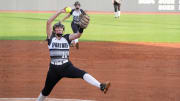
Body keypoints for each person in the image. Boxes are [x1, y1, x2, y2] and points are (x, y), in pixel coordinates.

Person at [36, 8, 110, 101]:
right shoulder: (51, 38)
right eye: (57, 28)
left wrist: (81, 27)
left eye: (61, 28)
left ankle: (101, 86)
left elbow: (78, 35)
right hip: (53, 69)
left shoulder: (67, 38)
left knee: (82, 74)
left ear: (63, 30)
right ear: (54, 31)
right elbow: (48, 22)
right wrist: (59, 12)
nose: (59, 29)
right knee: (46, 91)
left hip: (66, 66)